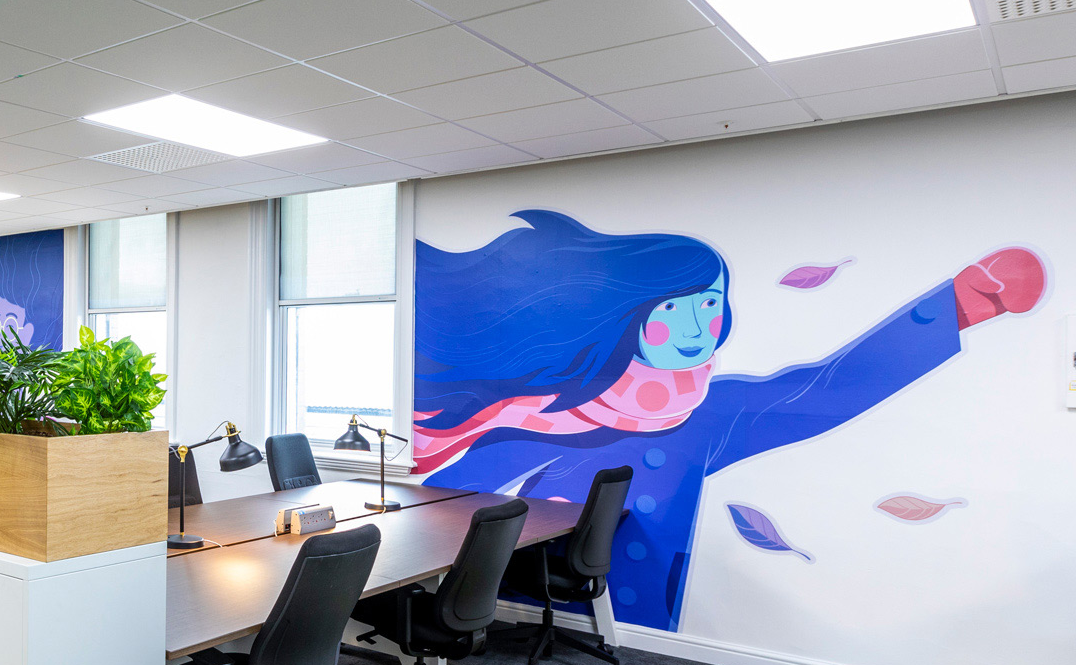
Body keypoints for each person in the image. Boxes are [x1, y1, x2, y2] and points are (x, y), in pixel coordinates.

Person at [413, 209, 1044, 631]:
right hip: (516, 584)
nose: (696, 331)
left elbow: (814, 393)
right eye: (673, 310)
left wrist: (954, 307)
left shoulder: (704, 413)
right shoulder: (536, 408)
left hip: (606, 595)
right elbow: (447, 499)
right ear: (628, 317)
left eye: (709, 306)